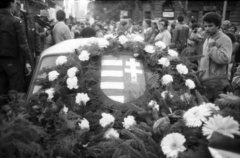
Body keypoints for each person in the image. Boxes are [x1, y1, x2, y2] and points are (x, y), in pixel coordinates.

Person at [0, 0, 32, 104]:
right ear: (11, 4)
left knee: (1, 93)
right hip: (13, 62)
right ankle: (15, 118)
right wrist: (28, 61)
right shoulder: (15, 21)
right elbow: (23, 44)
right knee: (16, 95)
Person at [198, 12, 232, 95]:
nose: (207, 29)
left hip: (217, 81)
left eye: (210, 26)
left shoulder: (224, 39)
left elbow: (225, 59)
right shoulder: (208, 38)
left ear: (218, 26)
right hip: (205, 79)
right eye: (205, 26)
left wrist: (213, 48)